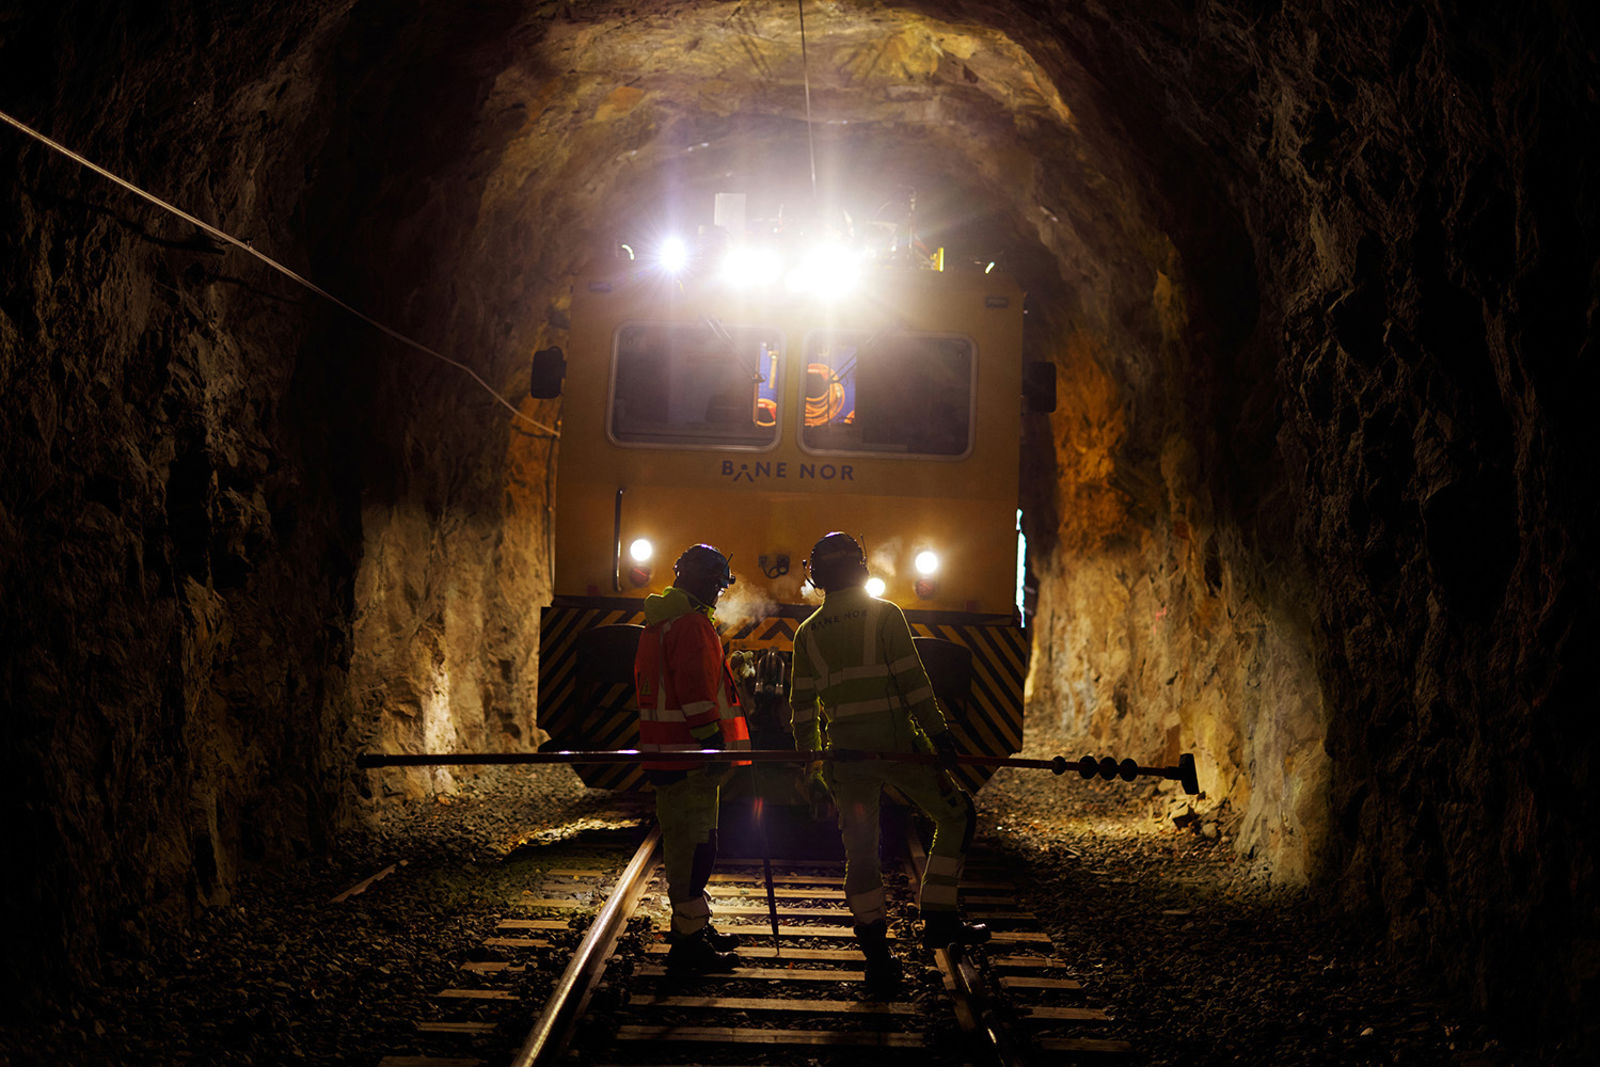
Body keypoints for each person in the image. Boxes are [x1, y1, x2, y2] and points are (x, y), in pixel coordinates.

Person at [788, 532, 989, 992]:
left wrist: (811, 765)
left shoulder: (807, 633)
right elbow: (914, 683)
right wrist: (938, 734)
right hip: (899, 751)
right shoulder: (886, 615)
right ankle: (938, 917)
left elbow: (801, 709)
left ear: (816, 577)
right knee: (956, 814)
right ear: (861, 569)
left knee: (860, 852)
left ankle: (877, 955)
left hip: (847, 760)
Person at [633, 544, 752, 974]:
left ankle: (696, 928)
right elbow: (696, 691)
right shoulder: (694, 625)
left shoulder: (658, 623)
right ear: (706, 582)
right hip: (690, 758)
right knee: (697, 848)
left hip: (665, 753)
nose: (720, 594)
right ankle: (687, 943)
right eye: (719, 585)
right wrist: (712, 744)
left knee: (689, 844)